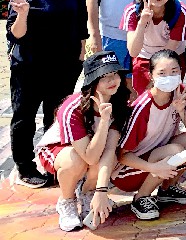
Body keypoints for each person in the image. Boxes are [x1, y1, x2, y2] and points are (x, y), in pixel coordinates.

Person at [7, 0, 89, 187]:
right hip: (29, 67)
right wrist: (22, 14)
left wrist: (81, 55)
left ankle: (54, 162)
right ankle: (25, 167)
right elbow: (16, 35)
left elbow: (81, 25)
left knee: (57, 117)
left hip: (64, 66)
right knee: (24, 117)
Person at [35, 51, 130, 230]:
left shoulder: (120, 103)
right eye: (104, 77)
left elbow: (109, 150)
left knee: (111, 158)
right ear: (93, 81)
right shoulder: (72, 108)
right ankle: (67, 201)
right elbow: (89, 157)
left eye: (115, 74)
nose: (112, 80)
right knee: (77, 161)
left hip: (92, 148)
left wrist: (101, 190)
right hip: (59, 149)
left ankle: (88, 194)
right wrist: (104, 121)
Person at [112, 49, 186, 220]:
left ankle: (168, 188)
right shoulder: (143, 107)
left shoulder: (179, 92)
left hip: (158, 155)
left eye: (174, 71)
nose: (169, 77)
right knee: (175, 150)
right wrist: (153, 168)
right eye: (162, 73)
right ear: (151, 75)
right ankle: (141, 197)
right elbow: (122, 155)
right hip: (128, 171)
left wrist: (181, 111)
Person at [122, 0, 186, 95]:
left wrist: (155, 81)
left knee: (170, 96)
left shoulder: (181, 12)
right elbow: (133, 51)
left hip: (171, 57)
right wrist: (142, 23)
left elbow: (169, 50)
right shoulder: (132, 11)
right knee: (144, 98)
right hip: (144, 57)